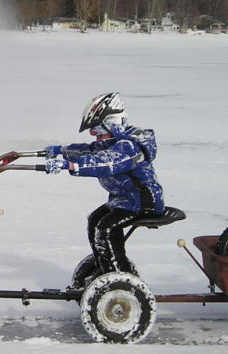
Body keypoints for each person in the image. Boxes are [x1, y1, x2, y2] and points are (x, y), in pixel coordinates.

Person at [45, 92, 164, 277]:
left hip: (142, 201)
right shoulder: (112, 143)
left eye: (97, 131)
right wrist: (62, 151)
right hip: (124, 200)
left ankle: (120, 276)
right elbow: (90, 151)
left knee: (106, 228)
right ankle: (104, 266)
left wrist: (71, 165)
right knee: (94, 220)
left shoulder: (129, 147)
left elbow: (106, 163)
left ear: (111, 125)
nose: (93, 135)